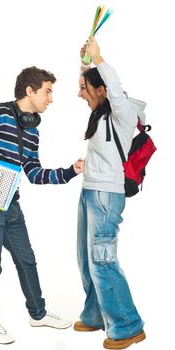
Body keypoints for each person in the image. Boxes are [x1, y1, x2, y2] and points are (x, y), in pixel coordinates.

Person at [0, 66, 84, 344]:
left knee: (27, 261)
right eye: (47, 92)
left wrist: (71, 170)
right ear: (30, 90)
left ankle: (38, 314)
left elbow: (35, 174)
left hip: (10, 205)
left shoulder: (32, 130)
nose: (51, 99)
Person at [73, 36, 146, 350]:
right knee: (85, 258)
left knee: (103, 261)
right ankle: (95, 314)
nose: (80, 94)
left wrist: (100, 58)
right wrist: (87, 64)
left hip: (105, 197)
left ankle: (129, 326)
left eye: (85, 89)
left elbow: (113, 85)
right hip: (90, 191)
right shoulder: (101, 113)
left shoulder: (121, 112)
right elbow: (99, 83)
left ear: (102, 91)